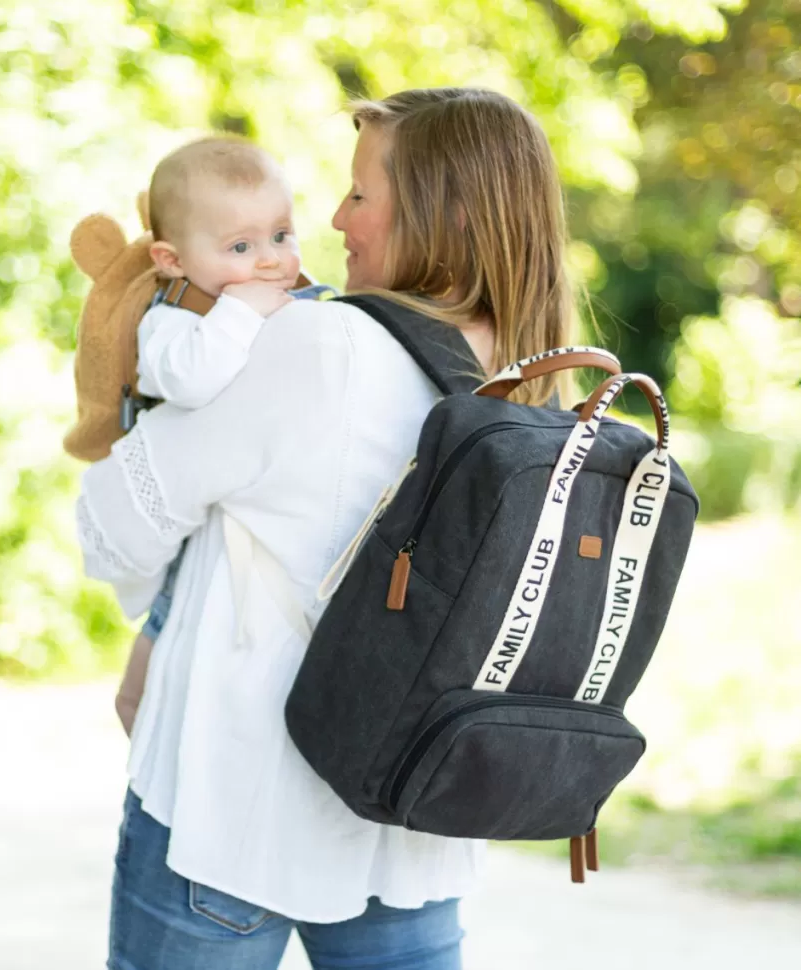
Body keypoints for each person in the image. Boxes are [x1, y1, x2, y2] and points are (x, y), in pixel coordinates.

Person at [76, 87, 571, 970]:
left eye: (360, 193)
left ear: (439, 211)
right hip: (413, 828)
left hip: (236, 815)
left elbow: (115, 523)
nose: (336, 219)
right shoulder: (536, 376)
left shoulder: (323, 344)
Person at [115, 136, 330, 733]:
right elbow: (189, 381)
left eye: (281, 236)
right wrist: (242, 312)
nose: (269, 261)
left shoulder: (293, 302)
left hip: (265, 536)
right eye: (240, 246)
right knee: (142, 692)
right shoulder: (172, 322)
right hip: (189, 545)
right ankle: (156, 795)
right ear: (172, 260)